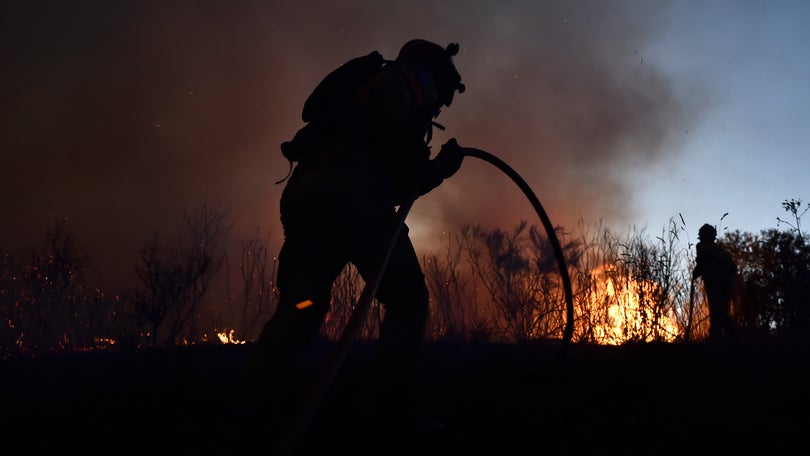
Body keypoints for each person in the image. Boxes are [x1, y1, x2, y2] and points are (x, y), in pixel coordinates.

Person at [240, 39, 467, 440]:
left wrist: (428, 170)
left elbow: (393, 178)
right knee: (408, 299)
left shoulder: (368, 89)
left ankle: (249, 406)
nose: (436, 107)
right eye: (440, 98)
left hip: (309, 200)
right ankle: (390, 413)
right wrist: (441, 168)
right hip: (354, 203)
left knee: (303, 306)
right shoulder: (398, 88)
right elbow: (406, 178)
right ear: (431, 78)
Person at [692, 223, 737, 341]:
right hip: (726, 284)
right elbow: (733, 269)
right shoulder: (722, 251)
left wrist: (695, 273)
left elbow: (701, 262)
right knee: (721, 310)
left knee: (718, 310)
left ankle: (728, 335)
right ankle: (717, 337)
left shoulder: (701, 246)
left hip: (715, 283)